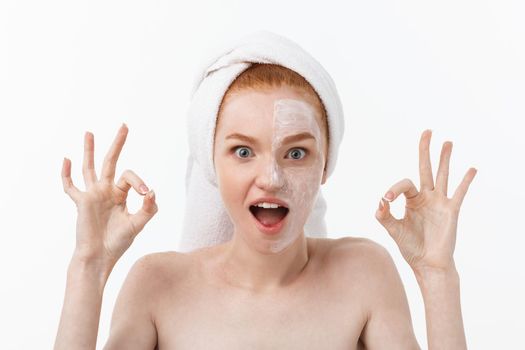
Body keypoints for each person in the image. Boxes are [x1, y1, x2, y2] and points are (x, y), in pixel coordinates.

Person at [54, 63, 477, 349]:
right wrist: (88, 265)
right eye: (242, 152)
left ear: (325, 164)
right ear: (211, 164)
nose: (271, 178)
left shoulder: (363, 273)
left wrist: (437, 274)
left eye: (296, 154)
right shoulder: (157, 283)